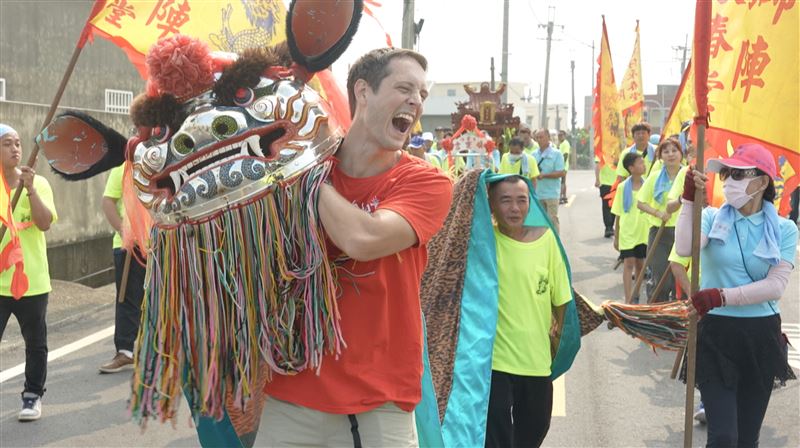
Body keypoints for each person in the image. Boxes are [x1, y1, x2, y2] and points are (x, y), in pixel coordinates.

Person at [261, 48, 453, 446]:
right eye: (404, 88)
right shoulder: (303, 170)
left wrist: (301, 173)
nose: (416, 101)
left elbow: (364, 240)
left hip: (379, 401)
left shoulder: (427, 183)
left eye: (421, 93)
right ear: (363, 92)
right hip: (294, 390)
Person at [676, 143, 797, 447]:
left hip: (761, 336)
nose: (730, 181)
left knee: (746, 439)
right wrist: (689, 201)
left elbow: (775, 286)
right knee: (724, 437)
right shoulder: (712, 217)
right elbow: (683, 248)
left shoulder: (784, 229)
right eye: (728, 173)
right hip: (716, 334)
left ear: (763, 181)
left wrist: (721, 296)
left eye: (740, 174)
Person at [485, 175, 572, 448]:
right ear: (492, 205)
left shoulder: (546, 240)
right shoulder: (483, 243)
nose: (514, 208)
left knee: (534, 430)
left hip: (535, 359)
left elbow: (561, 300)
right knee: (495, 437)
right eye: (505, 200)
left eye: (521, 200)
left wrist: (556, 341)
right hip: (494, 362)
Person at [0, 124, 57, 421]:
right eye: (7, 144)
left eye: (18, 143)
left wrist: (31, 189)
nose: (15, 149)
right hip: (0, 283)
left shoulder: (39, 184)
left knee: (36, 343)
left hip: (32, 280)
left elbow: (45, 223)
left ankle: (32, 396)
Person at [98, 165, 147, 373]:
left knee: (161, 298)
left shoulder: (167, 160)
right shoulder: (123, 168)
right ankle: (125, 351)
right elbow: (108, 201)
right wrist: (125, 232)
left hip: (161, 244)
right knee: (127, 298)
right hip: (128, 245)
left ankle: (162, 350)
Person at [636, 138, 685, 302]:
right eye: (666, 151)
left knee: (682, 280)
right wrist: (658, 213)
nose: (670, 154)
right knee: (661, 279)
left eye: (674, 150)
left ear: (681, 154)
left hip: (684, 233)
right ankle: (656, 315)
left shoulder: (689, 175)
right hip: (660, 233)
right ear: (660, 156)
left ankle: (681, 317)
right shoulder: (655, 177)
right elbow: (641, 203)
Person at [611, 153, 648, 303]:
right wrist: (617, 236)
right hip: (627, 231)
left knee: (640, 264)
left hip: (643, 231)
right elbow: (618, 213)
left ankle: (636, 294)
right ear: (631, 168)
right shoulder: (622, 188)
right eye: (640, 163)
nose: (643, 165)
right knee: (629, 263)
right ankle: (628, 299)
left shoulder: (648, 185)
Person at [532, 129, 566, 233]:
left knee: (552, 219)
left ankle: (555, 243)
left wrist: (545, 175)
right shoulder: (534, 154)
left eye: (541, 137)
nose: (539, 140)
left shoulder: (557, 154)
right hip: (538, 193)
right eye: (537, 137)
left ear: (548, 137)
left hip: (551, 193)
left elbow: (561, 172)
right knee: (540, 221)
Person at [595, 154, 618, 238]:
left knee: (606, 206)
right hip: (616, 183)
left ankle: (608, 227)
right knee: (614, 206)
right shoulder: (618, 151)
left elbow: (597, 166)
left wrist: (597, 179)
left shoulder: (601, 151)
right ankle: (610, 227)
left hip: (606, 184)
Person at [558, 130, 571, 204]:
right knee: (563, 181)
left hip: (563, 166)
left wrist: (561, 165)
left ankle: (560, 197)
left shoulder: (565, 143)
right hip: (563, 165)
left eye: (561, 135)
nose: (559, 137)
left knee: (562, 182)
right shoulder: (561, 144)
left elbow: (565, 155)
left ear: (564, 136)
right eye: (559, 135)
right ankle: (564, 196)